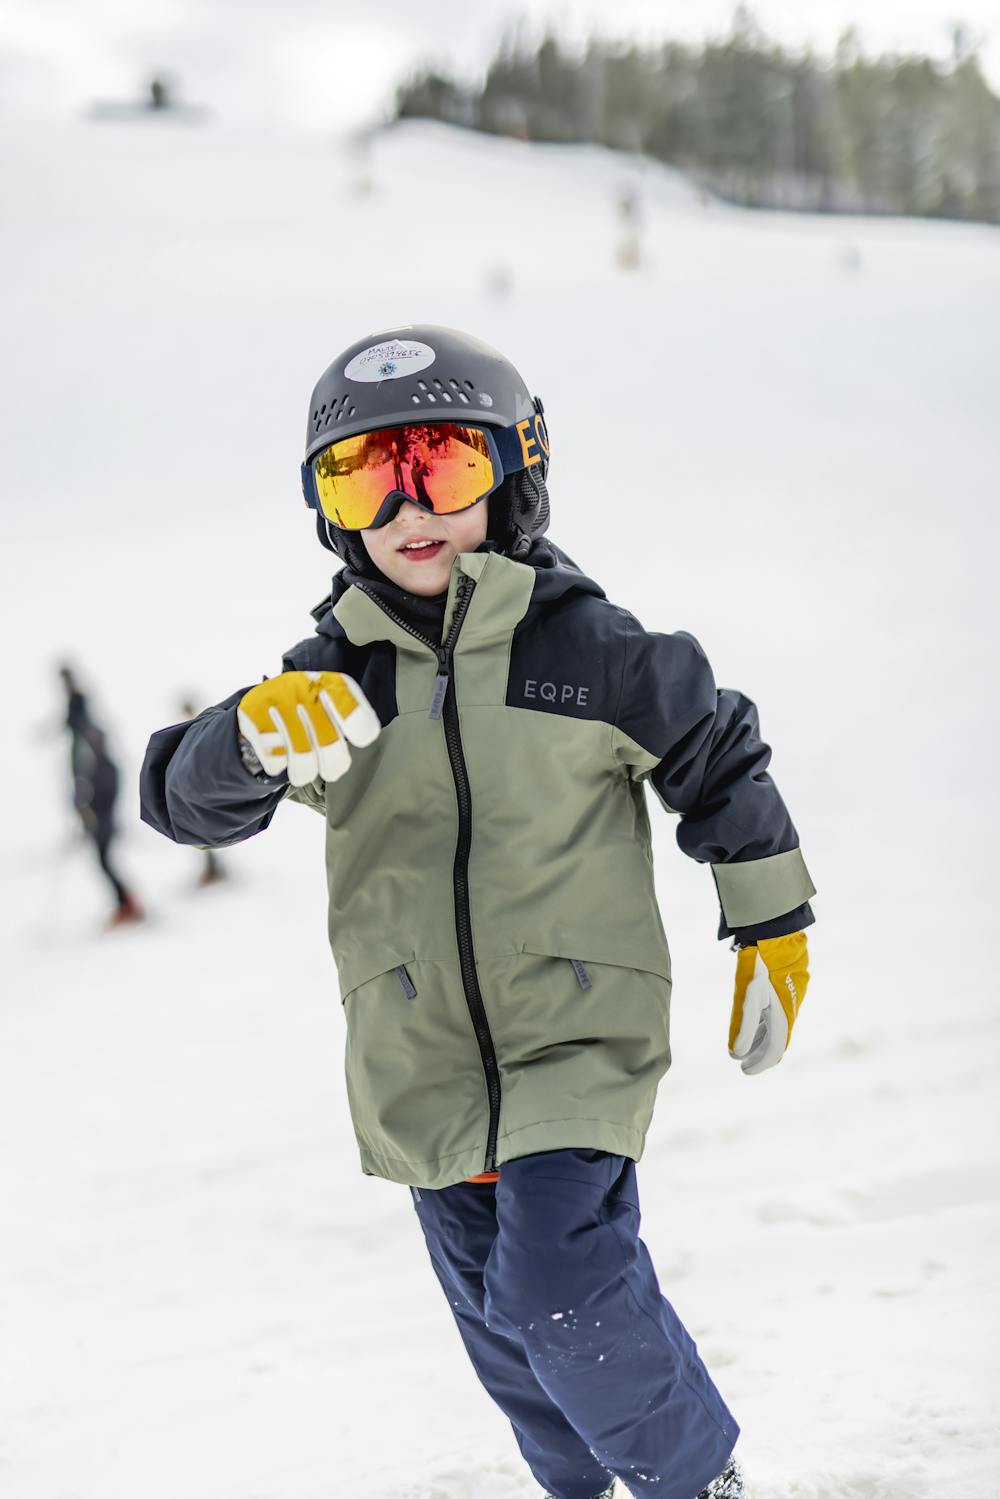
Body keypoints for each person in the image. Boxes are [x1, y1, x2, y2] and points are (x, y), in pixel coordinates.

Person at [140, 326, 815, 1499]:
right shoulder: (333, 680)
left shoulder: (588, 650)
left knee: (555, 1284)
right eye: (363, 477)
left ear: (513, 474)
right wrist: (241, 737)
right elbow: (179, 802)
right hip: (418, 1058)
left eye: (442, 465)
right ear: (329, 509)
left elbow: (715, 755)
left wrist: (771, 923)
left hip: (574, 1035)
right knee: (503, 1328)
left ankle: (694, 1480)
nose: (407, 506)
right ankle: (580, 1485)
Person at [59, 665, 143, 927]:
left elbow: (92, 776)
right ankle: (126, 903)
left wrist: (86, 804)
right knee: (103, 858)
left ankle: (128, 904)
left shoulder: (87, 737)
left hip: (100, 804)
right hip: (99, 802)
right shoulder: (90, 734)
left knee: (104, 858)